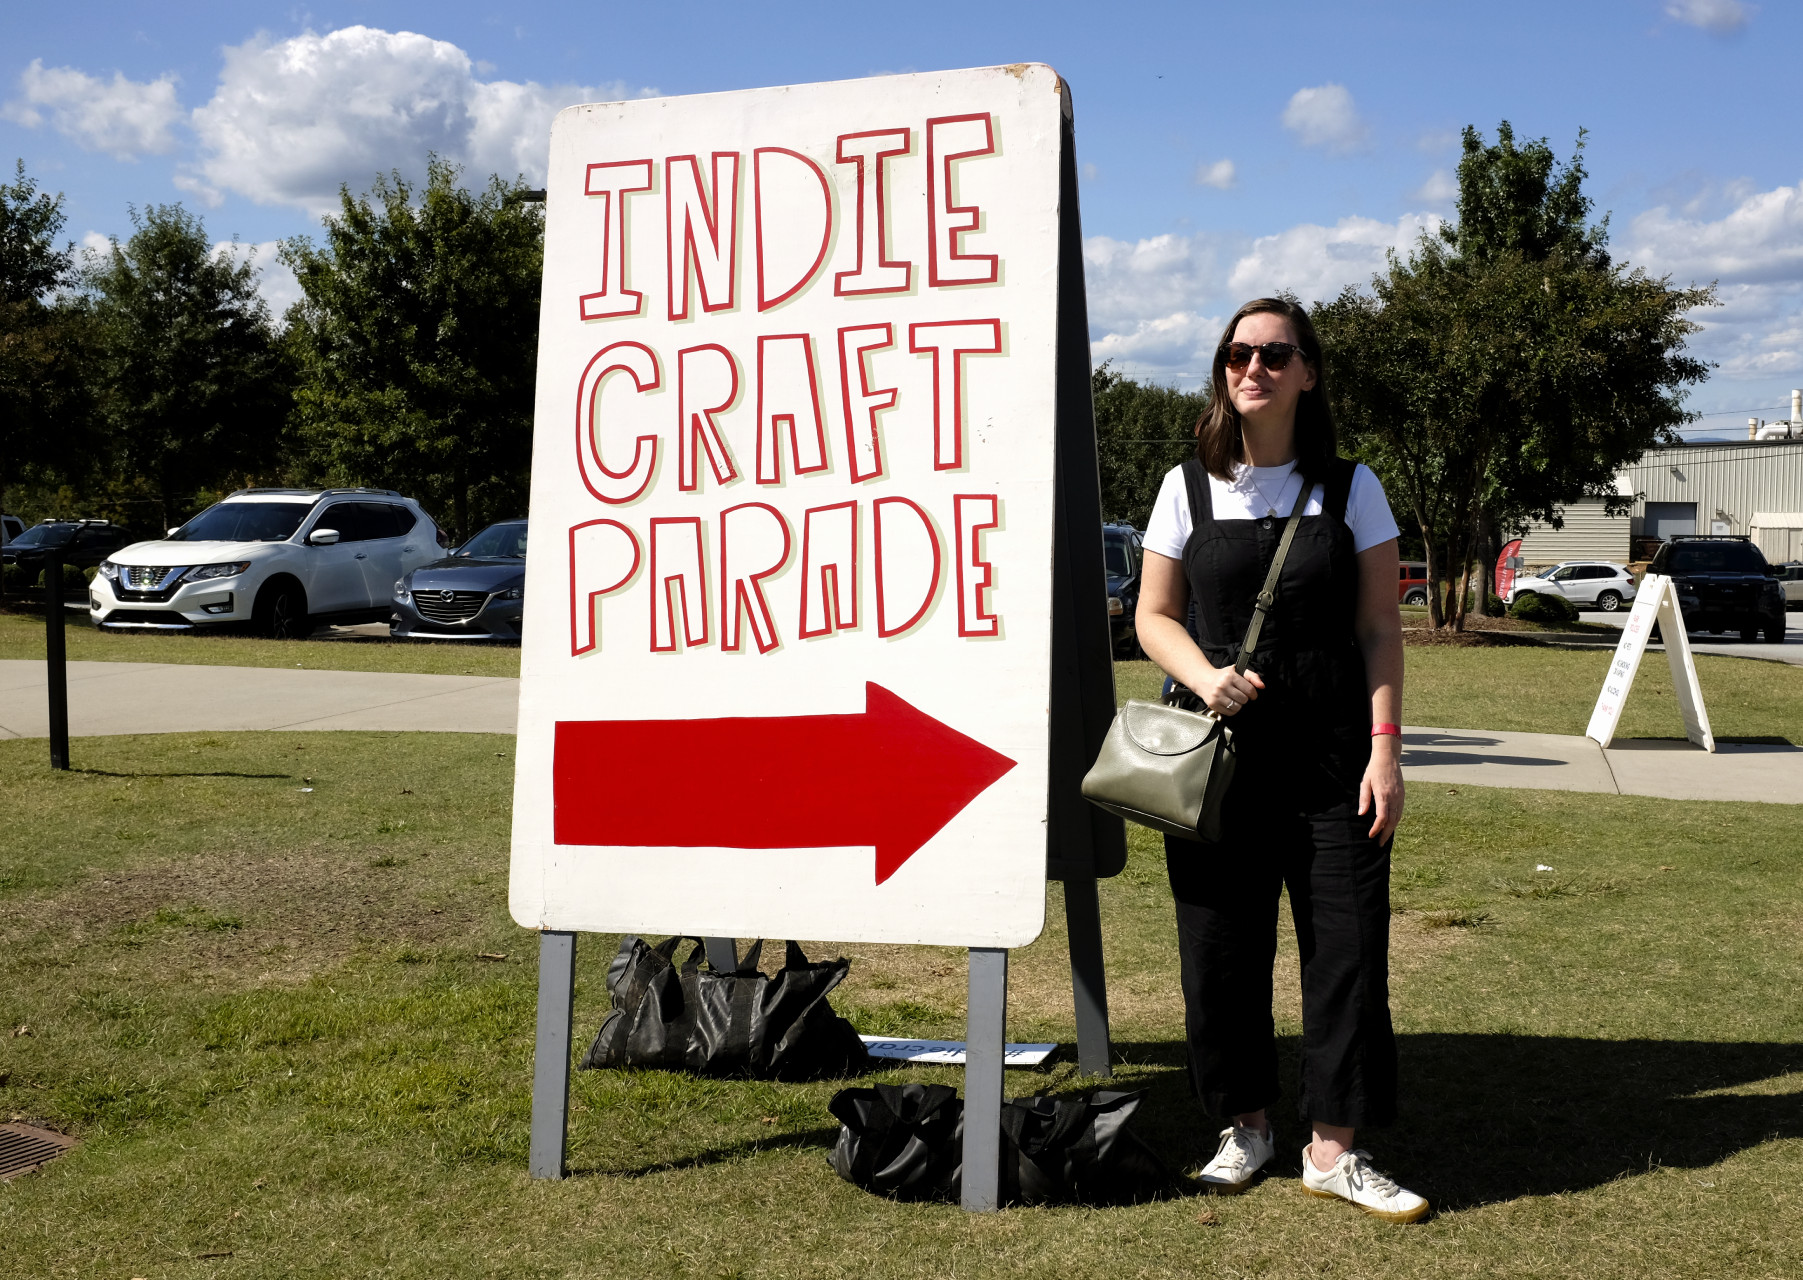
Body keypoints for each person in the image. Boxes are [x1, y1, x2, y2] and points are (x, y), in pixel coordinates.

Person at [1133, 297, 1426, 1223]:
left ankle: (1334, 1147)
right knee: (1219, 953)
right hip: (1218, 762)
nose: (1251, 367)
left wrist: (1386, 750)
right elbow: (1151, 615)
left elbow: (1380, 627)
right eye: (1235, 352)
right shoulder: (1185, 485)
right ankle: (1245, 1126)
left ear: (1307, 372)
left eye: (1273, 352)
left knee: (1345, 952)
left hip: (1335, 760)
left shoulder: (1352, 488)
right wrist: (1203, 675)